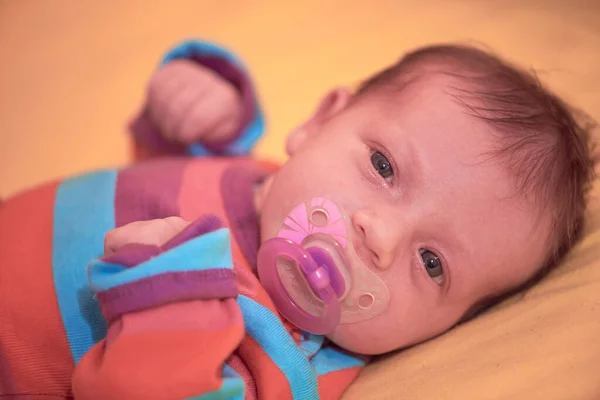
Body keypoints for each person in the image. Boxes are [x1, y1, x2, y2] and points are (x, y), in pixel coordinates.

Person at [0, 40, 595, 400]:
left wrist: (170, 313)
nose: (381, 236)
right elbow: (150, 184)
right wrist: (189, 118)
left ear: (452, 327)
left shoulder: (289, 358)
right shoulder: (258, 173)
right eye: (384, 165)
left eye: (432, 262)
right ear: (319, 121)